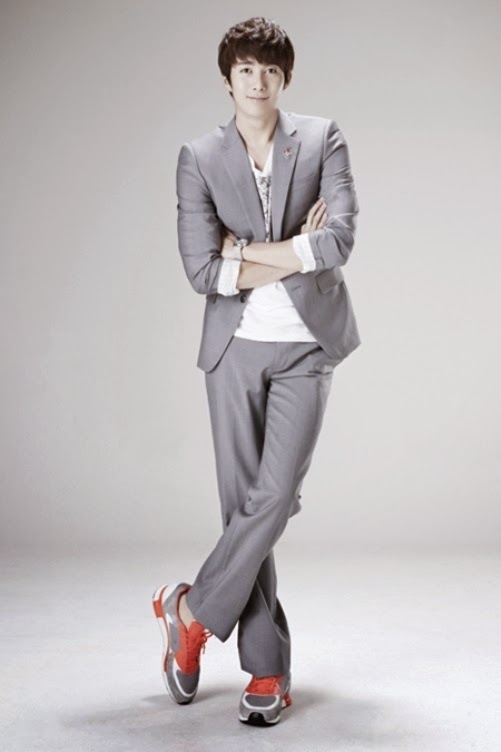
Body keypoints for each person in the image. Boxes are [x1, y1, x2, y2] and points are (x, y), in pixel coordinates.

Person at [152, 16, 361, 726]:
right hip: (234, 348)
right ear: (227, 79)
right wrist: (292, 249)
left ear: (285, 77)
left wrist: (245, 255)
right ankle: (267, 669)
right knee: (243, 507)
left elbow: (338, 241)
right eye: (245, 69)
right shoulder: (198, 157)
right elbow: (201, 272)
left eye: (269, 70)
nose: (258, 81)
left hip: (307, 344)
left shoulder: (322, 138)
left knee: (271, 500)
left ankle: (189, 614)